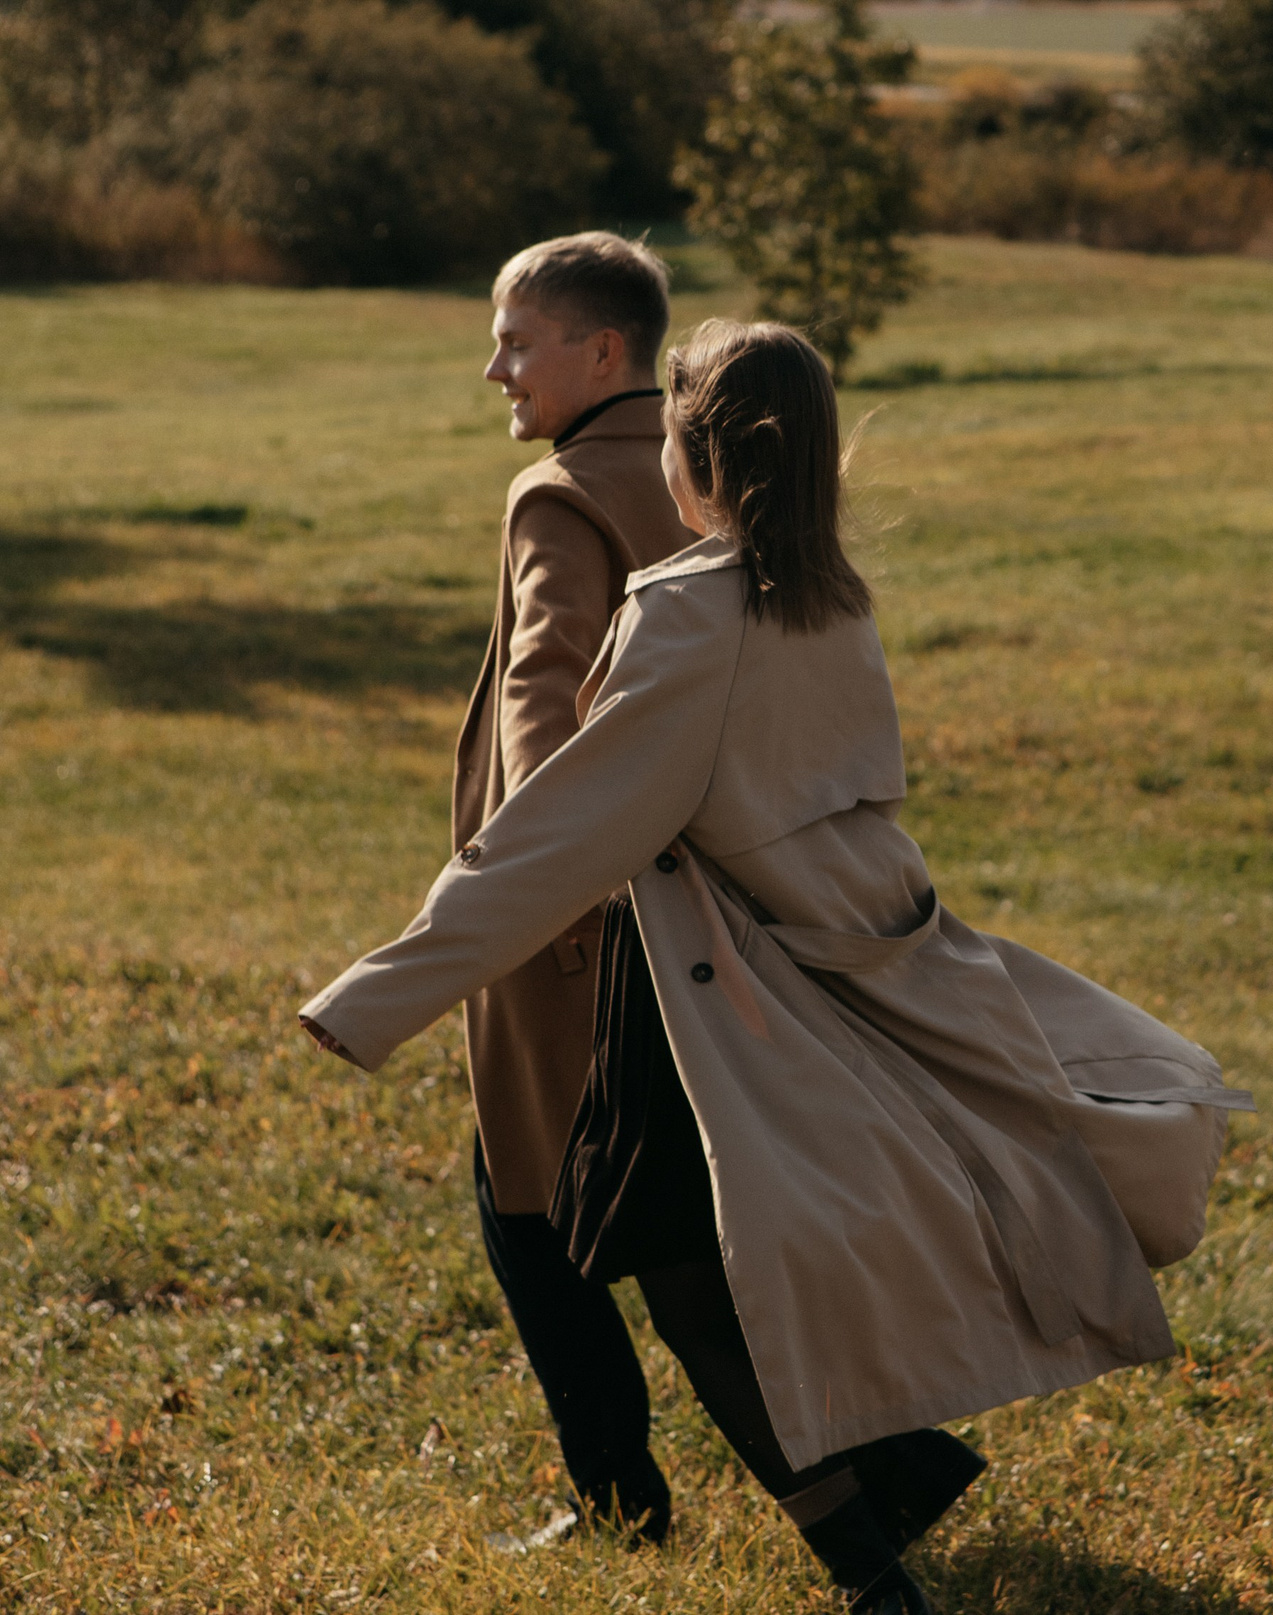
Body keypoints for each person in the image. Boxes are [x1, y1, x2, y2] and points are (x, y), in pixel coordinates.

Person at [297, 320, 1247, 1611]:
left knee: (688, 1278)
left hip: (702, 1007)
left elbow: (566, 833)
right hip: (807, 975)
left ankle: (874, 1558)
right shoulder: (828, 593)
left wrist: (376, 993)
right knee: (683, 1266)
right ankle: (888, 1506)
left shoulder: (688, 614)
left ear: (697, 455)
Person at [458, 232, 698, 1540]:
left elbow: (543, 683)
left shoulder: (561, 493)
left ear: (601, 351)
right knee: (685, 1203)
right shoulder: (709, 471)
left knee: (527, 1202)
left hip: (573, 922)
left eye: (515, 339)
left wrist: (553, 867)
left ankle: (619, 1502)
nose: (495, 367)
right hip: (700, 901)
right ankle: (877, 1466)